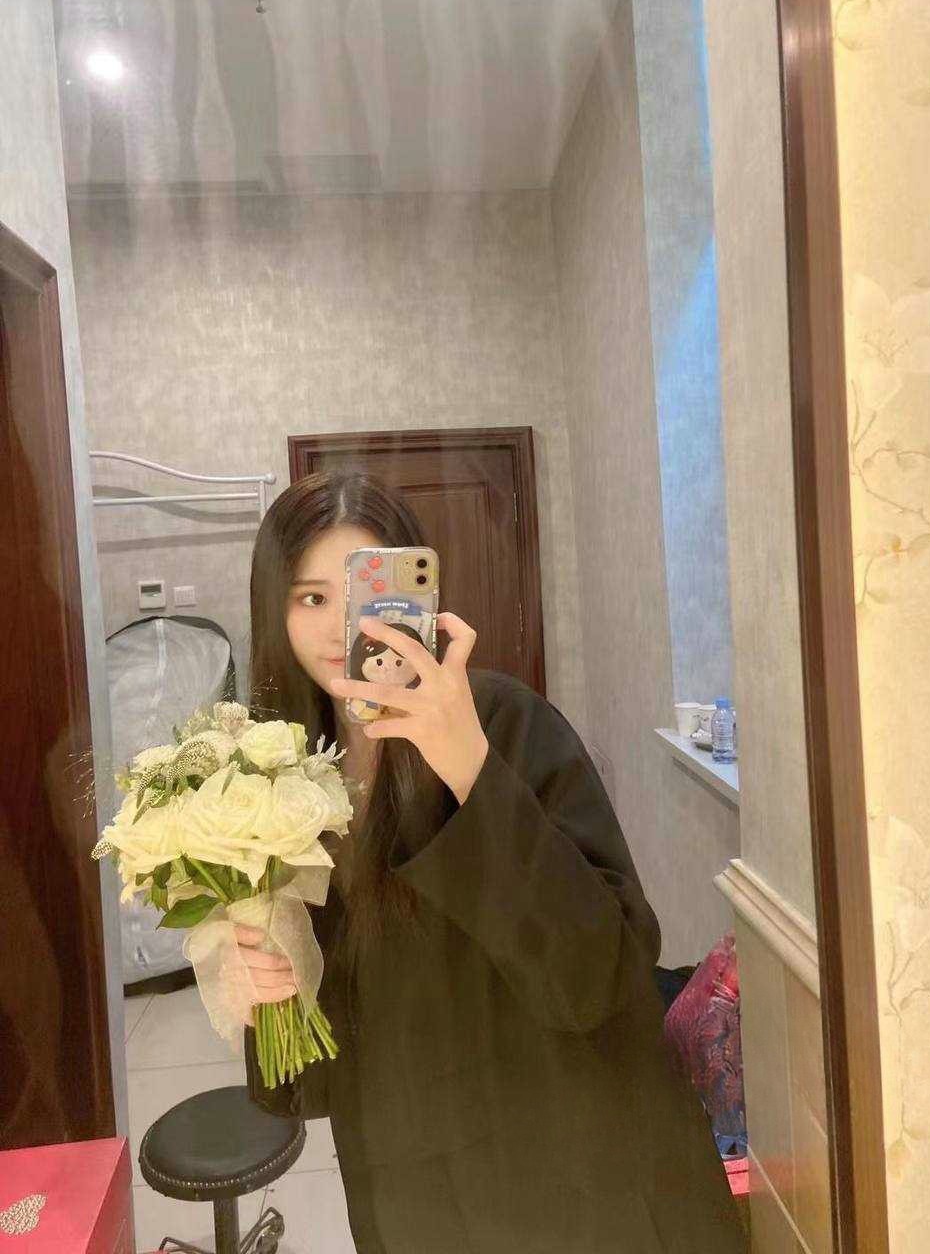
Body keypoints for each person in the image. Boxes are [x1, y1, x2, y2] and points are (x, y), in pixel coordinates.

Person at [236, 470, 745, 1253]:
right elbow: (312, 1079)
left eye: (365, 593)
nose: (341, 627)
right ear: (274, 611)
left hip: (573, 1162)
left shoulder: (505, 721)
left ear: (416, 596)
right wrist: (266, 989)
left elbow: (600, 974)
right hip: (410, 1185)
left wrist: (467, 763)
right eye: (311, 598)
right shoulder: (285, 776)